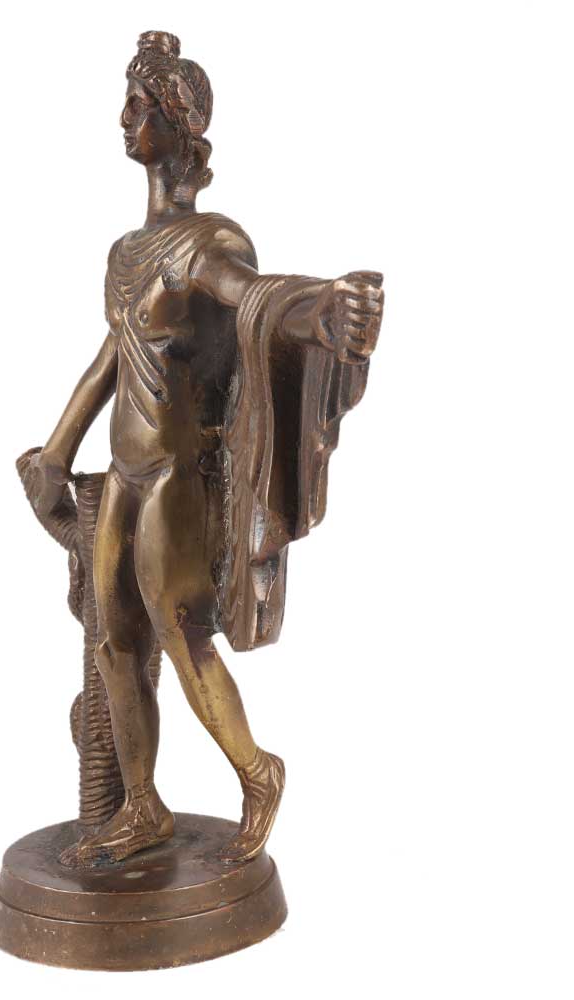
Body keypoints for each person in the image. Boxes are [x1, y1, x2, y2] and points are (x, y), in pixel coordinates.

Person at [28, 31, 383, 867]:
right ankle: (143, 808)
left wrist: (322, 310)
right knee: (116, 641)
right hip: (123, 472)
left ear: (180, 125)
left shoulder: (211, 243)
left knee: (180, 635)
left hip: (175, 477)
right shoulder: (125, 253)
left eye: (141, 106)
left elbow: (253, 298)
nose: (126, 119)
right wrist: (55, 453)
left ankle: (258, 773)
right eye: (128, 104)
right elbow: (112, 359)